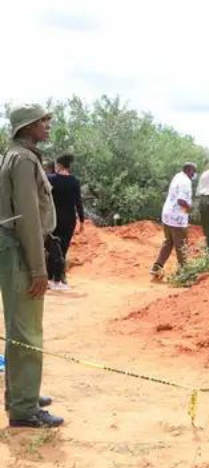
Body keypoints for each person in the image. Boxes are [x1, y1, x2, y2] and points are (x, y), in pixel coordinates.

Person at [0, 103, 63, 427]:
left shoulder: (17, 155)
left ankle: (22, 393)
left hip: (14, 248)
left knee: (19, 328)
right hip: (21, 249)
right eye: (43, 121)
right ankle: (24, 409)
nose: (48, 125)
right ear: (27, 126)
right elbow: (26, 217)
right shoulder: (23, 159)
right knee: (26, 330)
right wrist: (39, 269)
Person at [150, 162, 195, 278]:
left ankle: (156, 268)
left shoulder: (177, 176)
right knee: (181, 246)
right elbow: (181, 200)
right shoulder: (186, 182)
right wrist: (190, 208)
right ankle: (184, 275)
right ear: (189, 170)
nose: (194, 175)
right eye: (193, 172)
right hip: (177, 219)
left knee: (168, 242)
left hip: (167, 216)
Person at [47, 154, 85, 290]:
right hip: (69, 220)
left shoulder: (50, 179)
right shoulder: (74, 181)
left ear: (59, 165)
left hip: (53, 219)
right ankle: (59, 280)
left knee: (52, 248)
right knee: (63, 250)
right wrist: (82, 221)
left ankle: (51, 279)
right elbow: (78, 202)